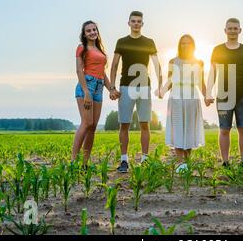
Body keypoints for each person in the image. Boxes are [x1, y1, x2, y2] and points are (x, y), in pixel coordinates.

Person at [110, 11, 162, 173]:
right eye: (133, 21)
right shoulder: (122, 42)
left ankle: (145, 158)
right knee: (124, 124)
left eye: (139, 21)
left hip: (144, 87)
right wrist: (112, 87)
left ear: (142, 24)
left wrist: (160, 86)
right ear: (129, 23)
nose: (136, 24)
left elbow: (157, 65)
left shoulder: (149, 42)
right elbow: (114, 65)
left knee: (144, 124)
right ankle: (124, 160)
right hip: (125, 87)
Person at [205, 18, 243, 167]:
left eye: (235, 28)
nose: (232, 31)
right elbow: (213, 72)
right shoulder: (217, 49)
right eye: (229, 28)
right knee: (224, 129)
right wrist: (208, 92)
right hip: (224, 95)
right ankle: (225, 161)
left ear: (240, 30)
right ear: (225, 30)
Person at [72, 21, 120, 166]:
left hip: (99, 87)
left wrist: (111, 88)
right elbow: (79, 70)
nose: (92, 32)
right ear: (84, 34)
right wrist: (86, 92)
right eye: (89, 31)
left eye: (94, 29)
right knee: (86, 123)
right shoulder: (82, 48)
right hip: (86, 85)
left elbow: (102, 73)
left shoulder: (99, 50)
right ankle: (73, 162)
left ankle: (85, 163)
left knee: (93, 126)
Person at [160, 35, 206, 173]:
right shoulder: (173, 61)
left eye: (188, 43)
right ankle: (180, 161)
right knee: (178, 127)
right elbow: (169, 80)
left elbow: (201, 82)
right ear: (179, 45)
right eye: (183, 43)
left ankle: (187, 159)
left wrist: (207, 96)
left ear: (193, 45)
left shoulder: (200, 62)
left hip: (192, 97)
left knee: (190, 128)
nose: (186, 46)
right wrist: (162, 91)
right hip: (176, 97)